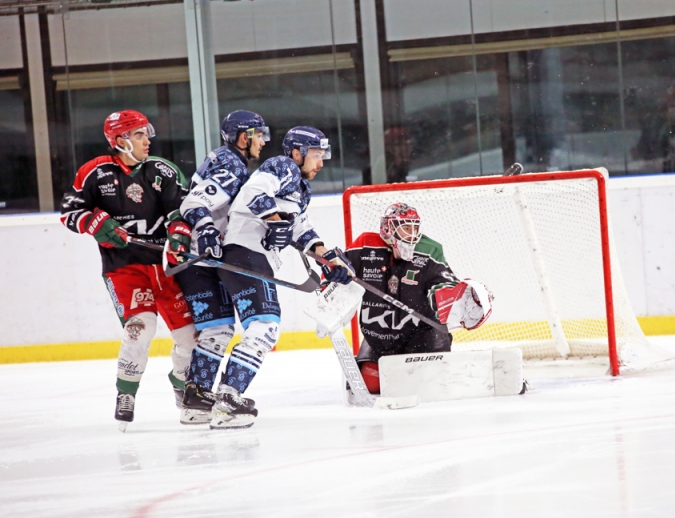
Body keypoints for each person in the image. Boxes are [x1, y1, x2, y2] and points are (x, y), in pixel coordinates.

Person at [183, 126, 353, 429]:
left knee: (223, 330)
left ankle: (197, 401)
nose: (321, 163)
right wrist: (273, 220)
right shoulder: (282, 166)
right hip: (245, 252)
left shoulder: (300, 187)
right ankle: (228, 399)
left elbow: (302, 231)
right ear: (298, 153)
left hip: (245, 256)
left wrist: (328, 258)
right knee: (265, 327)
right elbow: (254, 192)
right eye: (316, 155)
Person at [59, 110, 196, 431]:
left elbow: (181, 209)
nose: (147, 140)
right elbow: (69, 212)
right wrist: (96, 222)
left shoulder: (161, 170)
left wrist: (178, 234)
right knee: (141, 327)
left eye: (146, 133)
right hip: (124, 267)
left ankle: (182, 382)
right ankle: (126, 393)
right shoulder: (94, 173)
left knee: (190, 337)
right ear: (120, 141)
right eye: (138, 135)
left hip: (165, 265)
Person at [174, 110, 269, 425]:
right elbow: (192, 204)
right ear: (244, 137)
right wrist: (206, 231)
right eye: (259, 134)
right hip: (200, 257)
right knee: (225, 328)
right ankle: (213, 398)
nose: (263, 141)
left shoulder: (225, 160)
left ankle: (196, 399)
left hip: (195, 259)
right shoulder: (231, 164)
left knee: (218, 329)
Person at [344, 203, 493, 395]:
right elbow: (339, 268)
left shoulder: (429, 250)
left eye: (415, 227)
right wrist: (332, 280)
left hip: (422, 336)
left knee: (422, 385)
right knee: (370, 385)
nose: (413, 234)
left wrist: (455, 299)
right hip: (379, 339)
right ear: (388, 228)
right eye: (406, 228)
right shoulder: (365, 245)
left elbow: (442, 283)